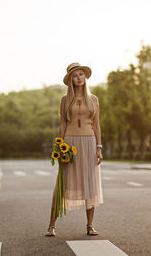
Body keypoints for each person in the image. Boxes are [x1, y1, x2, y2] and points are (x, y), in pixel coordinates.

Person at [45, 62, 104, 236]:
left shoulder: (93, 100)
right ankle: (51, 225)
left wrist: (99, 148)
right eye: (75, 75)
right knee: (61, 184)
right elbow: (63, 124)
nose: (79, 78)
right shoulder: (65, 100)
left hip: (89, 143)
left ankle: (90, 225)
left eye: (81, 74)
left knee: (90, 184)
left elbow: (96, 125)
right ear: (71, 80)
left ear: (85, 77)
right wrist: (59, 145)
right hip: (70, 144)